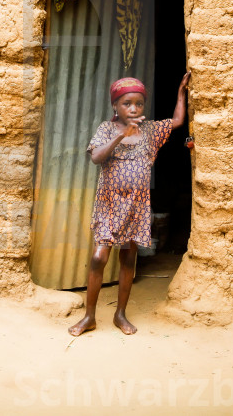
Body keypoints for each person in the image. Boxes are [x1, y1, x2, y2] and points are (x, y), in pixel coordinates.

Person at [68, 72, 190, 336]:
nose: (134, 108)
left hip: (136, 205)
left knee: (128, 258)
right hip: (109, 204)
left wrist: (181, 93)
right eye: (127, 103)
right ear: (115, 106)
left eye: (138, 103)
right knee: (99, 258)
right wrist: (121, 136)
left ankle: (120, 314)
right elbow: (96, 158)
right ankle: (89, 317)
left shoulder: (151, 131)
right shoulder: (106, 129)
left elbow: (178, 120)